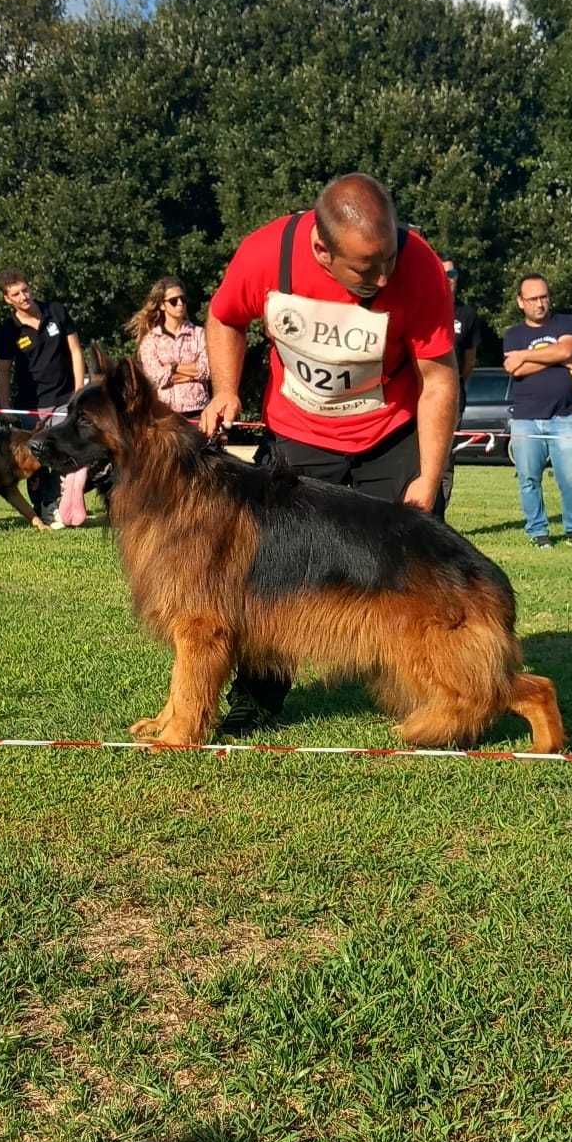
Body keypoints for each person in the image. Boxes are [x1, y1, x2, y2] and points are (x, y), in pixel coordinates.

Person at [201, 172, 458, 734]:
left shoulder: (419, 268)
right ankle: (258, 699)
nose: (384, 275)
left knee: (413, 571)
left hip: (393, 437)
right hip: (297, 438)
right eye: (368, 267)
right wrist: (225, 388)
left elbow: (439, 379)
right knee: (271, 574)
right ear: (321, 248)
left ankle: (437, 691)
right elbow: (224, 317)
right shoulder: (265, 254)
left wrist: (429, 477)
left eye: (388, 257)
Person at [502, 273, 572, 549]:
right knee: (529, 479)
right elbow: (513, 369)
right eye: (533, 298)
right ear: (520, 302)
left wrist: (525, 355)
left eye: (544, 297)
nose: (540, 303)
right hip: (526, 418)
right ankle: (538, 532)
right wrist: (558, 359)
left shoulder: (568, 322)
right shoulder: (513, 334)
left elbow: (566, 349)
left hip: (565, 416)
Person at [0, 271, 86, 528]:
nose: (23, 297)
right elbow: (3, 371)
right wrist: (5, 407)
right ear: (7, 299)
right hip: (29, 406)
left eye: (25, 290)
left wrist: (78, 392)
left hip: (64, 398)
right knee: (35, 461)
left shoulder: (56, 311)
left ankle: (62, 504)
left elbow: (76, 351)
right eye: (16, 294)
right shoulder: (7, 331)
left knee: (63, 454)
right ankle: (44, 507)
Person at [129, 277, 210, 415]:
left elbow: (207, 370)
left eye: (182, 299)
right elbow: (155, 378)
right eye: (173, 301)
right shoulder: (150, 341)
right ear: (162, 305)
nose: (180, 304)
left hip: (199, 411)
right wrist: (192, 376)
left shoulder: (200, 334)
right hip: (165, 414)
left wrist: (173, 367)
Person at [440, 256, 479, 507]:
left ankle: (439, 512)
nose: (448, 279)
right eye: (442, 273)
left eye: (452, 274)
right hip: (414, 395)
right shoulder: (420, 305)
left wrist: (451, 384)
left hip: (452, 398)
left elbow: (469, 361)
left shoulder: (467, 315)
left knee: (444, 459)